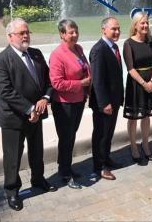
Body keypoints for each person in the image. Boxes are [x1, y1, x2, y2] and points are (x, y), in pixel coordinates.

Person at [0, 18, 57, 212]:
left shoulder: (36, 54)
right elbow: (6, 92)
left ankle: (38, 179)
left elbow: (49, 80)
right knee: (12, 157)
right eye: (22, 33)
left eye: (27, 32)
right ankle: (12, 191)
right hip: (13, 118)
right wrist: (31, 110)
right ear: (10, 36)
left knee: (37, 151)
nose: (26, 36)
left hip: (37, 115)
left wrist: (45, 98)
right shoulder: (1, 60)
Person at [49, 19, 90, 189]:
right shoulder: (57, 55)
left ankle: (67, 166)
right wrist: (80, 84)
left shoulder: (78, 49)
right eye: (70, 32)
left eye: (76, 31)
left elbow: (85, 68)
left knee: (71, 136)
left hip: (78, 101)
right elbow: (56, 83)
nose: (74, 35)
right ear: (62, 34)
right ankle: (64, 173)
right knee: (65, 138)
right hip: (64, 104)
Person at [123, 12, 152, 164]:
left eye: (146, 23)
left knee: (146, 116)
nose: (145, 26)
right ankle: (133, 146)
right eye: (142, 23)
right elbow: (130, 68)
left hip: (150, 82)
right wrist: (144, 83)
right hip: (136, 84)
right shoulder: (128, 43)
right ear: (135, 26)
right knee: (134, 117)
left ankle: (145, 145)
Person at [89, 17, 124, 180]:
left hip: (114, 100)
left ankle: (106, 158)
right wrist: (104, 103)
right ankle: (99, 166)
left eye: (118, 28)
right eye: (113, 29)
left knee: (108, 133)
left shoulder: (114, 47)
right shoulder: (98, 49)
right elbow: (97, 79)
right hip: (104, 103)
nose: (117, 32)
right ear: (103, 30)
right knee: (101, 134)